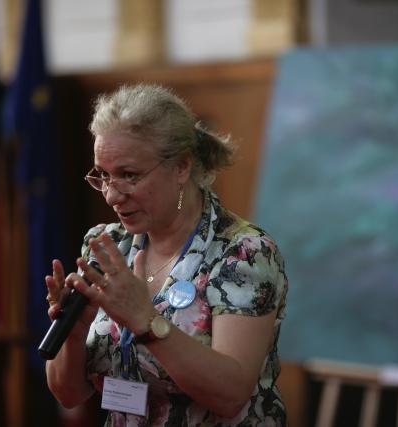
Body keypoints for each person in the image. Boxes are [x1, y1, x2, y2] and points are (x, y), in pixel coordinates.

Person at [44, 84, 288, 426]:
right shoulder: (106, 246)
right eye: (103, 175)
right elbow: (68, 395)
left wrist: (146, 322)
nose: (112, 196)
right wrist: (72, 333)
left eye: (129, 175)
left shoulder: (243, 253)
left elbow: (231, 396)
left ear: (182, 167)